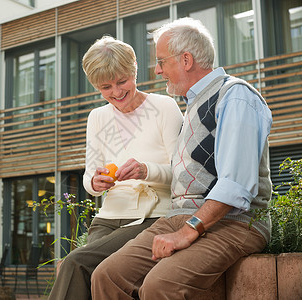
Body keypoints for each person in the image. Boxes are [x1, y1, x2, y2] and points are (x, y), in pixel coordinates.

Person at [91, 17, 272, 300]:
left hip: (235, 222)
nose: (157, 69)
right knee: (107, 276)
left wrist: (189, 230)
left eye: (162, 61)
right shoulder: (192, 105)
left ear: (186, 60)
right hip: (178, 216)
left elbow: (236, 185)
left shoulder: (234, 96)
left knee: (160, 285)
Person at [48, 36, 183, 300]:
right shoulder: (97, 117)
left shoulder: (164, 107)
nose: (116, 92)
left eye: (122, 81)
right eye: (105, 87)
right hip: (109, 217)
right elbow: (90, 175)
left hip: (153, 216)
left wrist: (146, 170)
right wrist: (95, 183)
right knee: (81, 268)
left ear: (134, 71)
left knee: (77, 263)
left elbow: (183, 174)